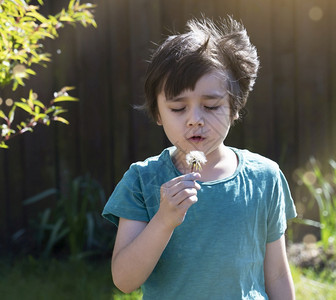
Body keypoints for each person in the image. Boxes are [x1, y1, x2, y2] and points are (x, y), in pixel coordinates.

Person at [102, 16, 297, 300]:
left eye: (211, 105)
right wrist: (164, 220)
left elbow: (277, 273)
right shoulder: (142, 181)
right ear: (158, 113)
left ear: (234, 107)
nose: (195, 120)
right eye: (178, 108)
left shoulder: (264, 177)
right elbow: (124, 280)